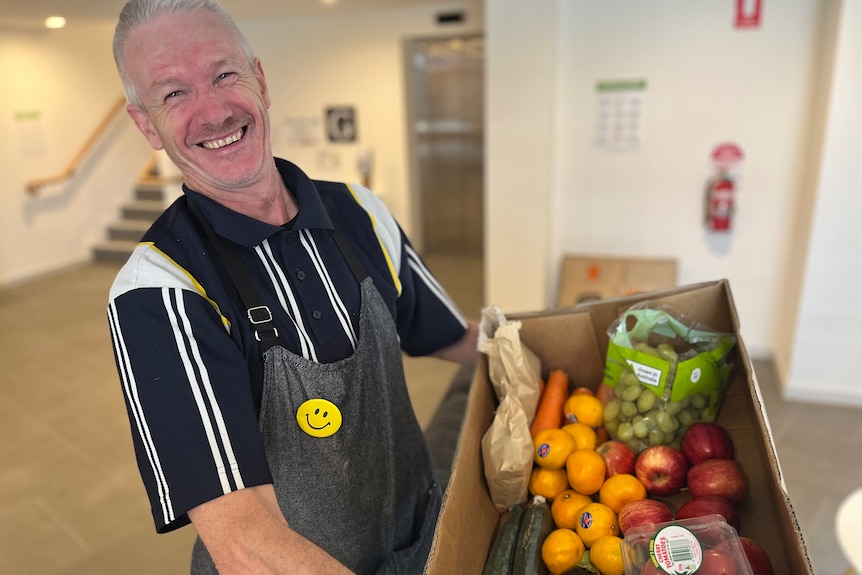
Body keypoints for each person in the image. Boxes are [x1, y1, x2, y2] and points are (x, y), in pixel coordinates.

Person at [106, 1, 479, 573]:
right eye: (174, 94)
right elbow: (243, 543)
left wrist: (540, 352)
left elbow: (450, 335)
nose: (213, 112)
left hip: (419, 542)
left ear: (260, 81)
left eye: (224, 74)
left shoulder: (359, 211)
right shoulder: (158, 290)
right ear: (145, 123)